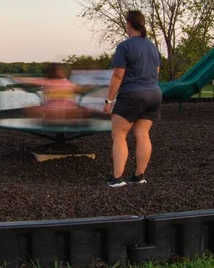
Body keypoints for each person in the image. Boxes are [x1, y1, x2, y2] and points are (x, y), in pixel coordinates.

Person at [103, 10, 162, 187]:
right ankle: (139, 176)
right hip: (154, 94)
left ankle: (118, 178)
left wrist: (109, 101)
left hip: (132, 95)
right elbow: (156, 72)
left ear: (129, 24)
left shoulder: (124, 46)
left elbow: (118, 76)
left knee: (119, 134)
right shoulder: (152, 46)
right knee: (143, 134)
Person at [12, 63, 99, 123]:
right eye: (59, 69)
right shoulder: (48, 82)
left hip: (67, 111)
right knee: (32, 109)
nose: (62, 70)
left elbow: (81, 90)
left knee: (87, 110)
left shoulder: (68, 83)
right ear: (54, 72)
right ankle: (59, 119)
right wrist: (15, 78)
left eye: (61, 69)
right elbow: (30, 81)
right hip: (52, 111)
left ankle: (63, 119)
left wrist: (91, 86)